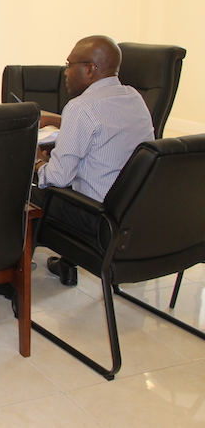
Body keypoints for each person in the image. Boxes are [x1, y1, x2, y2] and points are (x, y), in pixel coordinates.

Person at [34, 35, 154, 286]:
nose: (65, 72)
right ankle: (67, 263)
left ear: (90, 69)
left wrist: (38, 163)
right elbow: (106, 131)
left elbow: (56, 178)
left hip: (96, 219)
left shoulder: (81, 108)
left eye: (69, 65)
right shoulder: (133, 97)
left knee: (27, 190)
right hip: (133, 213)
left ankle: (10, 273)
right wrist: (60, 121)